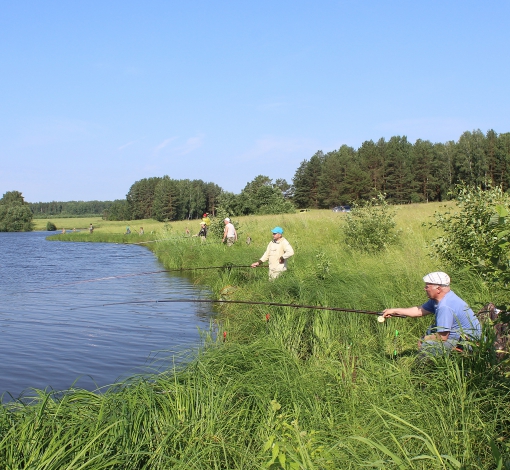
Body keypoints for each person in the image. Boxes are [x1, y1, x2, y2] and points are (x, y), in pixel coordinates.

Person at [383, 272, 481, 355]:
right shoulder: (440, 298)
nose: (424, 289)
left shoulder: (445, 306)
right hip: (459, 337)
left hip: (468, 343)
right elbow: (418, 311)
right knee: (431, 329)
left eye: (427, 286)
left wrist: (423, 339)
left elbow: (442, 337)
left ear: (438, 289)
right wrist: (394, 311)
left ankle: (422, 371)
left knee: (427, 345)